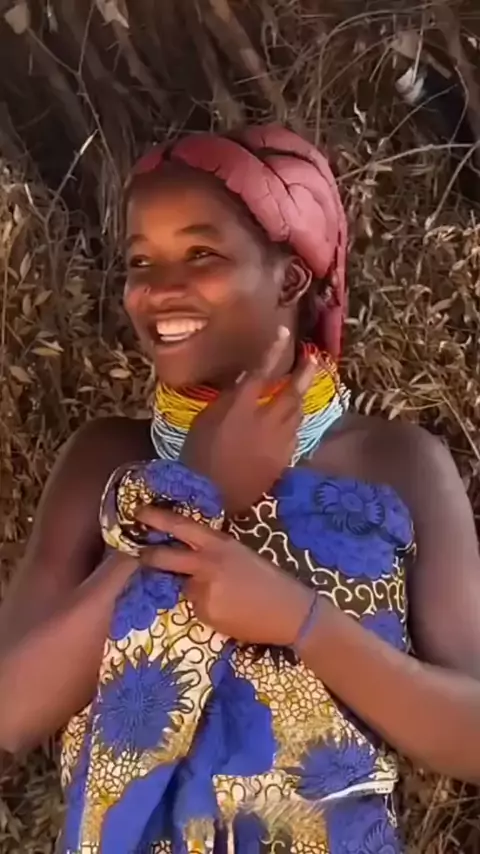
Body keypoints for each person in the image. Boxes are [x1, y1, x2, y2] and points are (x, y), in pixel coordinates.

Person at [0, 125, 480, 854]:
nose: (158, 288)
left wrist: (302, 622)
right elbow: (10, 711)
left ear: (290, 280)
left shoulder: (396, 464)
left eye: (202, 255)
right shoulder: (104, 460)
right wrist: (194, 492)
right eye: (140, 260)